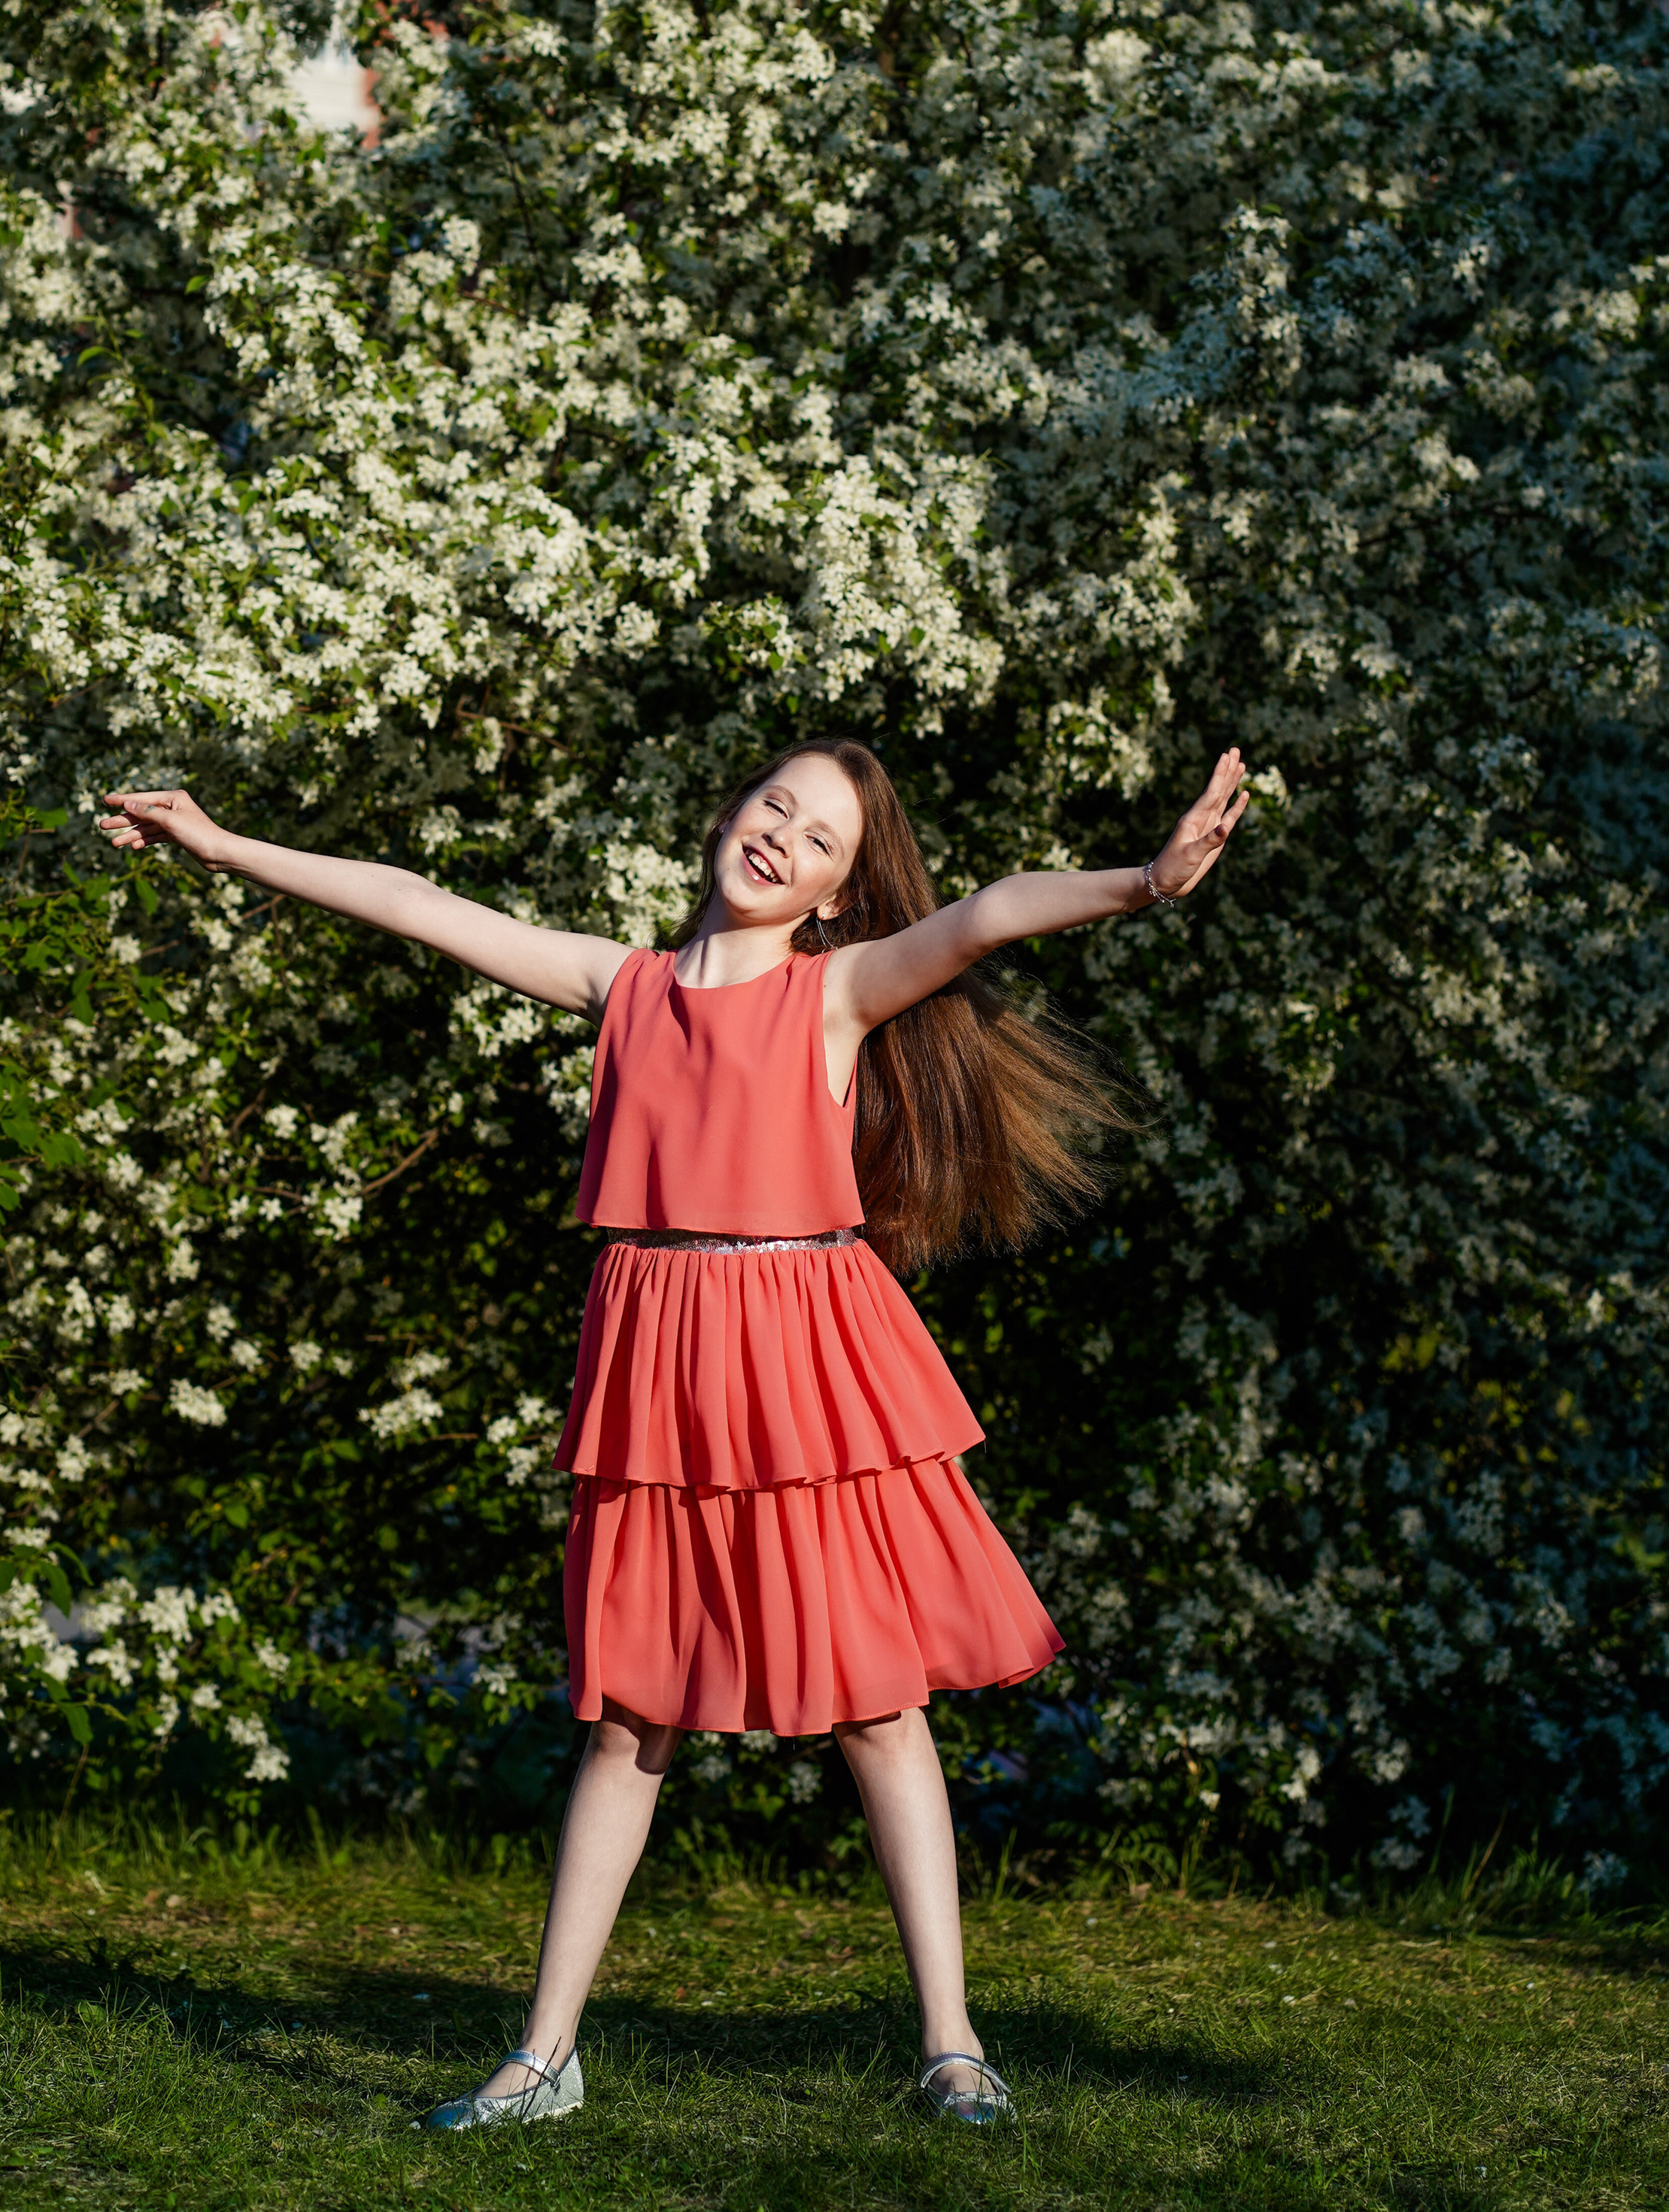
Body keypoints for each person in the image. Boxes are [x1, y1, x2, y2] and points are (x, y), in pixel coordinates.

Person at [99, 735, 1248, 2131]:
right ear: (726, 812)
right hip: (657, 1363)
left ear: (834, 896)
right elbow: (415, 899)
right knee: (630, 1720)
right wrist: (224, 847)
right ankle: (542, 2059)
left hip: (808, 1364)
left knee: (878, 1710)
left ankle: (952, 2047)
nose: (783, 840)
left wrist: (1144, 878)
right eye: (775, 806)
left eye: (821, 841)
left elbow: (986, 910)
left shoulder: (835, 995)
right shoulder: (622, 987)